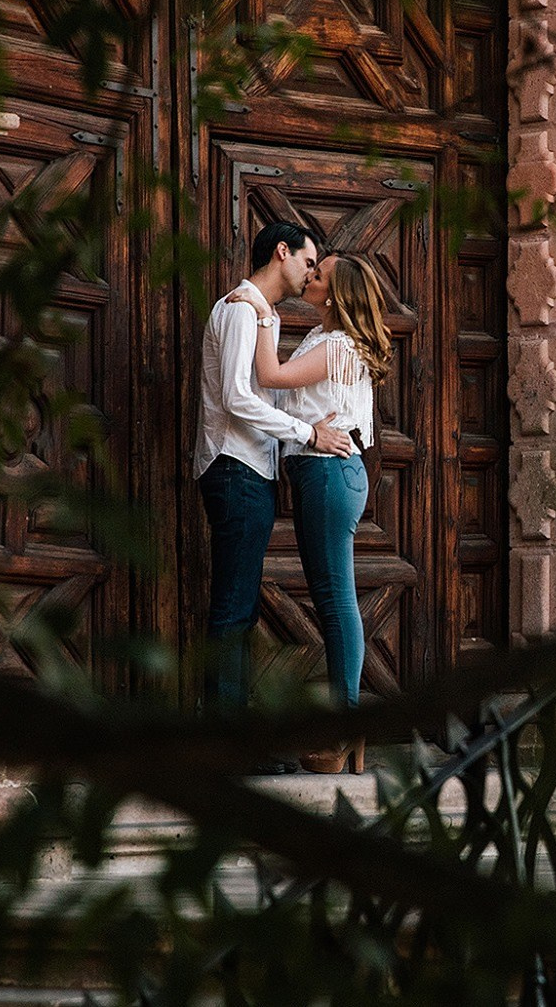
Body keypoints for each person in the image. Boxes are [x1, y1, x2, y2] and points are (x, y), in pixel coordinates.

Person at [229, 251, 395, 774]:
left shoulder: (338, 344)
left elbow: (271, 376)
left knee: (335, 600)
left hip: (328, 475)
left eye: (318, 275)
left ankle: (345, 728)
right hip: (321, 476)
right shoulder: (326, 342)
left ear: (337, 293)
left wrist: (258, 310)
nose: (310, 276)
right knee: (331, 599)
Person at [194, 222, 354, 741]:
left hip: (250, 471)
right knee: (233, 610)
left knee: (239, 611)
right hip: (235, 468)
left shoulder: (262, 315)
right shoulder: (242, 309)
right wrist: (310, 433)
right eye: (309, 262)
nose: (312, 273)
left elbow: (267, 392)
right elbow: (240, 397)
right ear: (281, 252)